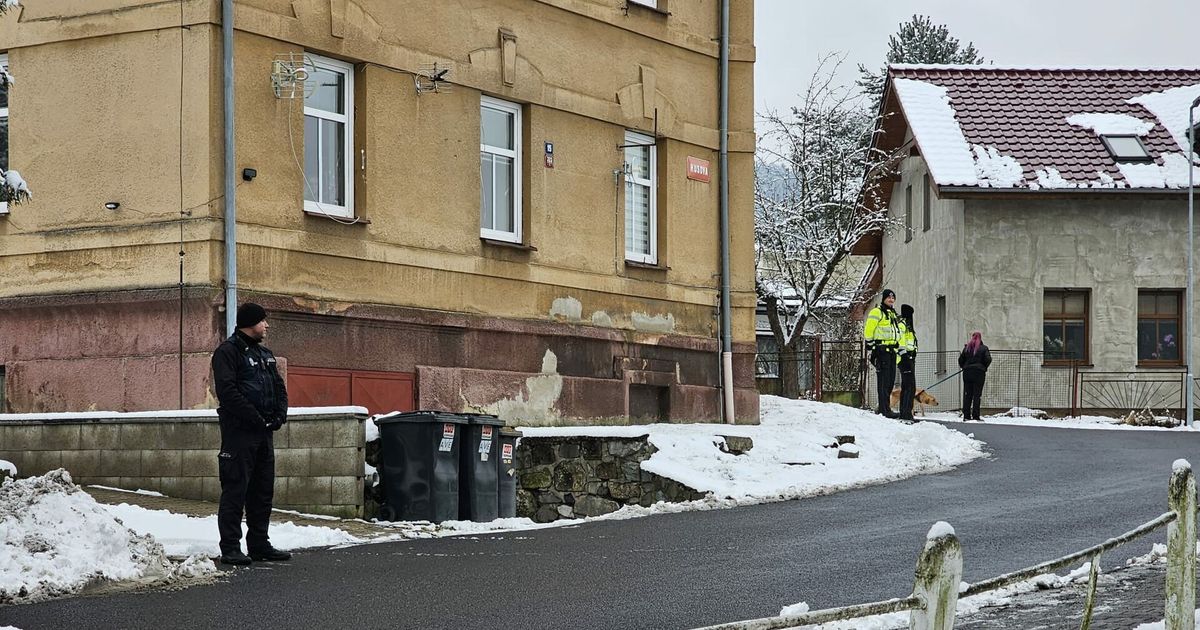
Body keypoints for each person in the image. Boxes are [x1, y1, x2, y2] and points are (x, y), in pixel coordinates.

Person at [212, 302, 292, 565]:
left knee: (262, 491)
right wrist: (255, 418)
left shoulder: (265, 354)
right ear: (250, 322)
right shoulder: (228, 352)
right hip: (239, 433)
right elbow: (228, 392)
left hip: (264, 434)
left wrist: (279, 415)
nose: (266, 325)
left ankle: (259, 543)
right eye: (262, 320)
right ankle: (231, 547)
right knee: (235, 489)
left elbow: (279, 388)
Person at [863, 289, 901, 418]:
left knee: (890, 381)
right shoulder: (877, 312)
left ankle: (885, 407)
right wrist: (871, 345)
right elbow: (869, 329)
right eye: (889, 298)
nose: (891, 300)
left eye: (893, 298)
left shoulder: (892, 314)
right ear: (884, 299)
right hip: (881, 350)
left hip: (891, 350)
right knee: (884, 382)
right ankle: (884, 410)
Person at [958, 331, 992, 421]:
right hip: (979, 373)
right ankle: (976, 415)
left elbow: (960, 360)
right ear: (980, 338)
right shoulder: (984, 348)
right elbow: (988, 359)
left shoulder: (966, 348)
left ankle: (966, 416)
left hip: (967, 373)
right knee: (977, 395)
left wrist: (964, 366)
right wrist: (983, 367)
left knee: (967, 394)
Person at [897, 304, 918, 421]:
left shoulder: (908, 327)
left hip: (909, 358)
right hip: (904, 358)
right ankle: (906, 413)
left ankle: (905, 412)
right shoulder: (903, 325)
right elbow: (900, 341)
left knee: (908, 386)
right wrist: (904, 355)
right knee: (909, 387)